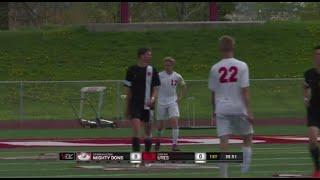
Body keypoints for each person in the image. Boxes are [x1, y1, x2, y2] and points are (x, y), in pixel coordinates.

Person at [208, 35, 254, 178]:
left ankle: (223, 174)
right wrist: (250, 111)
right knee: (247, 137)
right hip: (238, 107)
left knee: (224, 143)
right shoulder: (242, 65)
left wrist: (213, 110)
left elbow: (213, 93)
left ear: (220, 48)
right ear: (233, 47)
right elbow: (244, 91)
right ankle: (244, 168)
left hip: (221, 108)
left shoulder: (215, 68)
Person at [124, 47, 160, 153]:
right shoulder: (131, 70)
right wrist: (127, 107)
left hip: (148, 105)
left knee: (148, 133)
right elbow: (128, 90)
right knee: (136, 130)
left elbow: (155, 89)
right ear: (141, 56)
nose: (150, 56)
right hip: (135, 103)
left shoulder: (152, 70)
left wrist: (152, 99)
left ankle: (147, 156)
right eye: (148, 54)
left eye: (150, 54)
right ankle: (136, 157)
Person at [155, 57, 187, 151]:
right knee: (160, 126)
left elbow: (184, 86)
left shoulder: (177, 76)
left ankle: (174, 144)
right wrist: (155, 96)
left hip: (172, 101)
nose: (167, 67)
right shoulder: (159, 75)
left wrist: (180, 97)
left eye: (169, 65)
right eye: (165, 65)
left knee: (174, 121)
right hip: (161, 101)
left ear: (172, 65)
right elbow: (155, 87)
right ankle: (158, 140)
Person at [303, 45, 320, 178]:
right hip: (313, 111)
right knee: (313, 140)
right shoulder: (308, 73)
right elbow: (305, 87)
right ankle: (318, 169)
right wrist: (305, 97)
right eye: (317, 54)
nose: (318, 57)